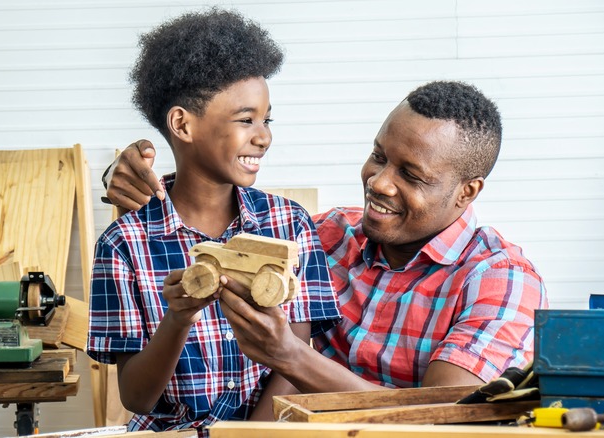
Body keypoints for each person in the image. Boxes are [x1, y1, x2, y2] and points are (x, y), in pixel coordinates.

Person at [103, 80, 549, 394]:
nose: (379, 182)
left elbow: (441, 417)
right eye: (379, 156)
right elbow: (214, 225)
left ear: (466, 192)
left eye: (411, 175)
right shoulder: (328, 234)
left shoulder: (502, 282)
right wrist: (131, 177)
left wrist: (290, 356)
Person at [86, 8, 340, 435]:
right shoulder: (123, 243)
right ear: (182, 124)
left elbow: (293, 362)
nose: (264, 136)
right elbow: (136, 396)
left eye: (266, 119)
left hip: (263, 432)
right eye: (246, 120)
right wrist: (178, 317)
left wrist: (245, 436)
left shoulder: (289, 223)